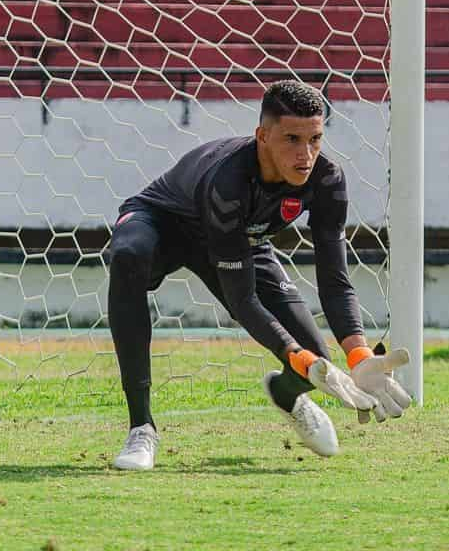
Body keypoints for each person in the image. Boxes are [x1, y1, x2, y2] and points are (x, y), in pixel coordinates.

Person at [106, 79, 412, 470]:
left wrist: (358, 354)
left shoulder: (327, 181)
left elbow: (335, 280)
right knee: (129, 256)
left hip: (241, 240)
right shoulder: (229, 181)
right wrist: (293, 354)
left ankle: (286, 395)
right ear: (262, 136)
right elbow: (242, 301)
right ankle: (141, 428)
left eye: (315, 138)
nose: (306, 155)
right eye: (291, 139)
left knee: (316, 360)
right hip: (166, 224)